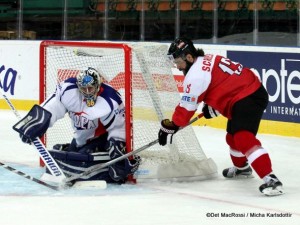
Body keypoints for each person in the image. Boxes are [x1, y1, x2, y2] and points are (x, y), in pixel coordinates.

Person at [158, 37, 284, 196]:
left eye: (178, 61)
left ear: (189, 57)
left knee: (242, 137)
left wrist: (172, 125)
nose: (177, 66)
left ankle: (271, 179)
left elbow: (186, 110)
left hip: (248, 96)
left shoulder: (195, 75)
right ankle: (242, 169)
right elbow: (223, 82)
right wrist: (214, 105)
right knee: (231, 138)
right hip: (244, 93)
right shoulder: (207, 58)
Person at [13, 67, 140, 184]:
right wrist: (36, 122)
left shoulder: (110, 99)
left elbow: (119, 127)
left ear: (98, 85)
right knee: (68, 155)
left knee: (82, 160)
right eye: (83, 88)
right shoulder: (69, 89)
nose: (87, 92)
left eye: (90, 88)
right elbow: (52, 107)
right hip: (80, 139)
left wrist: (117, 148)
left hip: (101, 139)